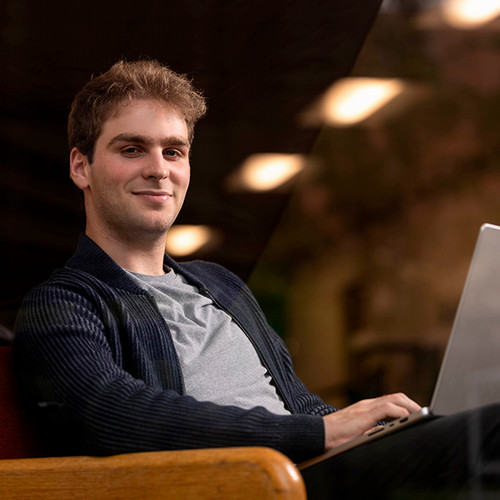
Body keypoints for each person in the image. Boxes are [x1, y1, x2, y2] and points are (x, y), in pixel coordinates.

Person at [12, 59, 500, 498]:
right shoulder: (62, 304)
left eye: (174, 152)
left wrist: (365, 423)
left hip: (313, 467)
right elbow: (115, 417)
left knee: (469, 429)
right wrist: (321, 434)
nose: (159, 169)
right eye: (133, 149)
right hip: (249, 484)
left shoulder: (220, 286)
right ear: (82, 166)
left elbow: (297, 405)